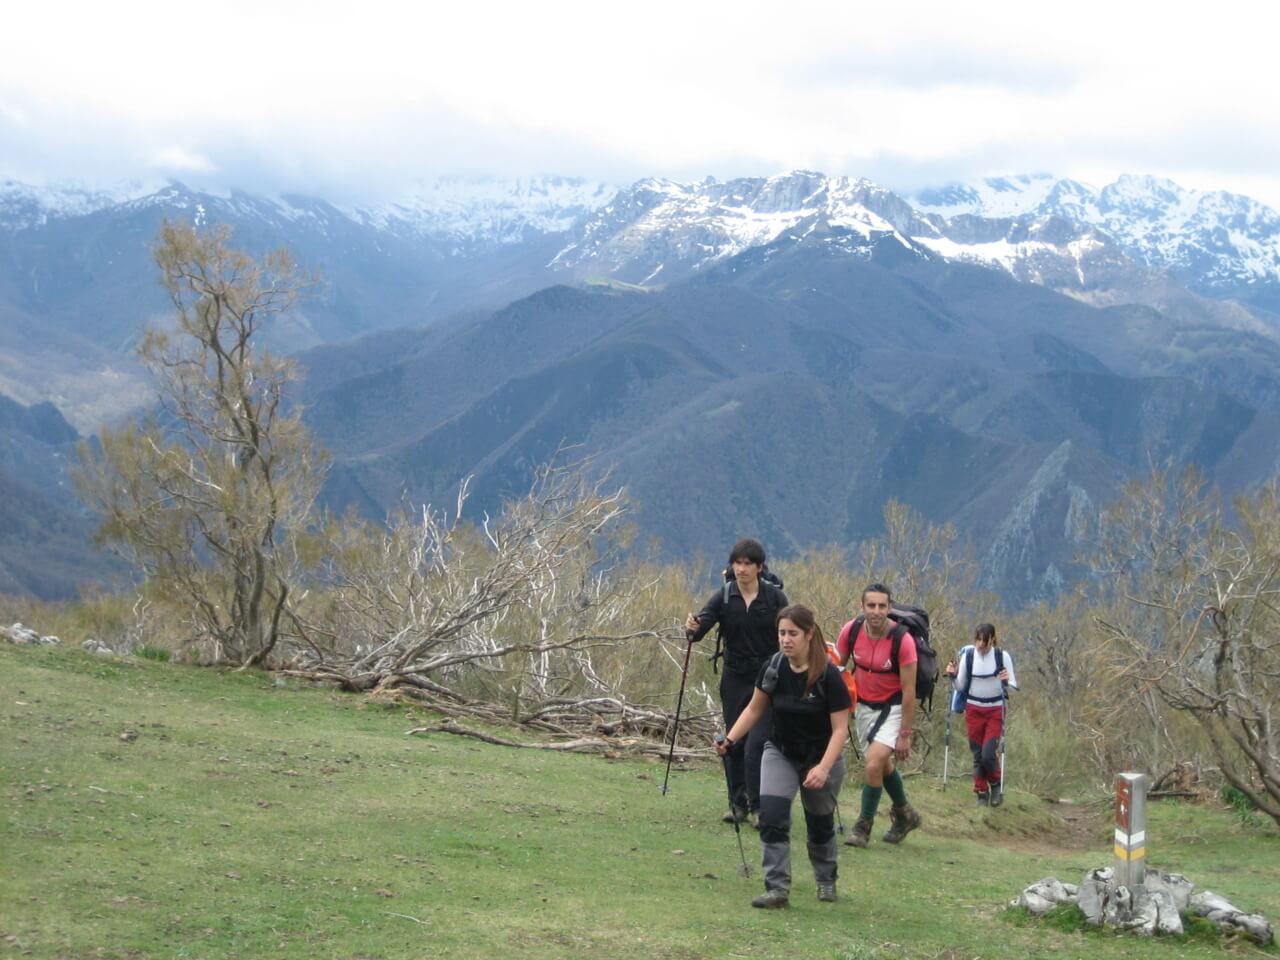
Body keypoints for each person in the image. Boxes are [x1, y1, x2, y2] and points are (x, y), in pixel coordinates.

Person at [715, 604, 850, 908]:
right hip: (781, 751)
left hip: (820, 756)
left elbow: (840, 730)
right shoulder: (773, 668)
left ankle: (826, 880)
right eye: (781, 633)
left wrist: (824, 768)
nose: (786, 639)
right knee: (772, 817)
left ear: (809, 634)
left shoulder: (828, 676)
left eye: (793, 633)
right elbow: (754, 708)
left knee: (819, 823)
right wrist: (730, 739)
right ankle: (777, 888)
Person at [685, 538, 787, 825]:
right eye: (738, 563)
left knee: (758, 742)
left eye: (747, 564)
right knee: (733, 740)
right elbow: (698, 631)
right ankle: (737, 803)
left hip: (768, 678)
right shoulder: (724, 595)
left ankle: (758, 806)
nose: (741, 569)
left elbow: (790, 631)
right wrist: (691, 628)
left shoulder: (774, 598)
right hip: (735, 676)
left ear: (759, 567)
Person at [834, 582, 922, 848]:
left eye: (882, 606)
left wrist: (905, 734)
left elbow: (909, 691)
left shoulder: (902, 641)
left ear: (890, 608)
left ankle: (863, 827)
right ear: (862, 607)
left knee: (873, 764)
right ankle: (905, 814)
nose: (876, 611)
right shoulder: (851, 631)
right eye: (871, 605)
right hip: (863, 707)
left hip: (893, 708)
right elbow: (836, 668)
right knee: (882, 766)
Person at [947, 623, 1017, 806]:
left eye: (984, 642)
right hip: (973, 709)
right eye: (978, 640)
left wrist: (1006, 681)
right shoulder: (968, 656)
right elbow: (960, 686)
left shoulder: (1002, 656)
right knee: (977, 753)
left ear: (992, 639)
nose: (980, 645)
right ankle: (981, 793)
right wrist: (953, 676)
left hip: (995, 709)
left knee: (988, 753)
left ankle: (995, 784)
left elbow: (1013, 686)